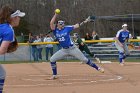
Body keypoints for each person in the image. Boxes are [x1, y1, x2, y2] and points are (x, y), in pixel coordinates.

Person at [49, 10, 104, 79]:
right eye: (61, 24)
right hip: (64, 50)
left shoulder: (67, 28)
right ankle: (55, 75)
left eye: (63, 24)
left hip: (72, 48)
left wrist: (85, 21)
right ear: (58, 25)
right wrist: (55, 14)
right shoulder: (55, 30)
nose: (63, 25)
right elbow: (51, 23)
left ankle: (98, 68)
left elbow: (76, 25)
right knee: (52, 59)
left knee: (84, 60)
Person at [0, 5, 25, 93]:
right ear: (13, 18)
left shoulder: (2, 26)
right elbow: (1, 51)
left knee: (1, 74)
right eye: (18, 17)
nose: (19, 19)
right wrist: (6, 49)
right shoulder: (9, 30)